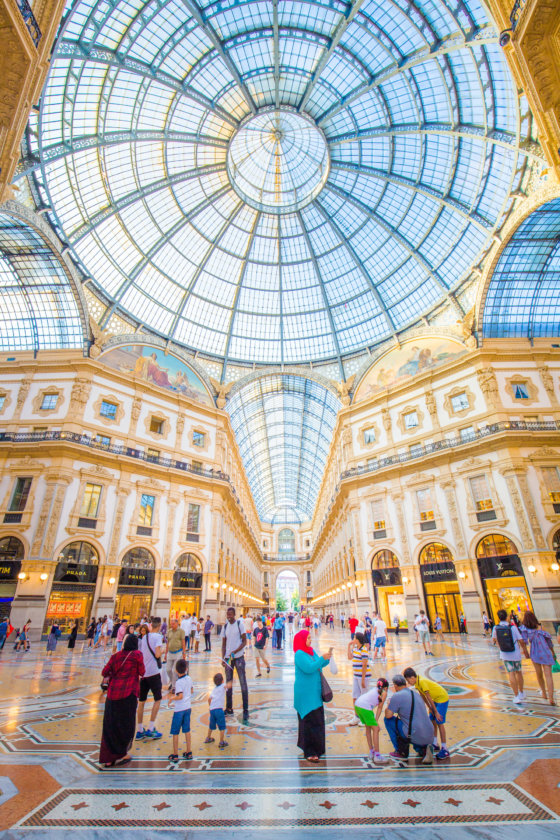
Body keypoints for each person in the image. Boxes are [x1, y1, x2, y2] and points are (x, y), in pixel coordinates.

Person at [99, 633, 145, 767]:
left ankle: (108, 758)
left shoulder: (116, 656)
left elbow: (104, 672)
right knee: (125, 725)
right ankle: (122, 753)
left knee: (110, 725)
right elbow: (142, 671)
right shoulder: (137, 655)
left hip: (113, 695)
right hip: (128, 694)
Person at [293, 629, 332, 762]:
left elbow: (318, 665)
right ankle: (309, 751)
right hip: (305, 694)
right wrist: (322, 659)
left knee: (318, 721)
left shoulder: (311, 651)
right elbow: (309, 668)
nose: (310, 640)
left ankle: (318, 748)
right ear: (302, 640)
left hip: (315, 693)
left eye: (310, 638)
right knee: (308, 722)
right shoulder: (299, 654)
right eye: (308, 638)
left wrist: (327, 659)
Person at [384, 674, 435, 763]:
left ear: (395, 685)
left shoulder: (397, 695)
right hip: (430, 733)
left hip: (413, 733)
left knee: (388, 721)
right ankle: (423, 750)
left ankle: (401, 752)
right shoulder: (415, 693)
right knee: (411, 724)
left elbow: (388, 715)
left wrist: (388, 704)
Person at [403, 667, 450, 760]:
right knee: (432, 720)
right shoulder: (417, 682)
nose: (408, 683)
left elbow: (428, 697)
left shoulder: (422, 682)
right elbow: (423, 695)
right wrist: (430, 708)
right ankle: (435, 743)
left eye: (408, 680)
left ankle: (445, 748)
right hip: (436, 699)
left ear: (412, 677)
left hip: (442, 698)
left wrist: (435, 711)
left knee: (439, 721)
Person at [492, 608, 529, 703]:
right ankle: (521, 692)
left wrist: (500, 646)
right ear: (507, 616)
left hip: (505, 654)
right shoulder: (512, 627)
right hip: (515, 653)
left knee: (511, 673)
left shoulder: (495, 628)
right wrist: (525, 651)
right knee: (518, 672)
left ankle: (516, 696)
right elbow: (521, 640)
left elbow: (494, 640)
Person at [520, 611, 556, 705]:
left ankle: (544, 693)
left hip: (535, 652)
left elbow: (523, 641)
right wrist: (553, 652)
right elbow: (549, 642)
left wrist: (526, 653)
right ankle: (551, 698)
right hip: (545, 652)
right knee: (549, 676)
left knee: (539, 674)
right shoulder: (540, 627)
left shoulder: (525, 629)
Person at [136, 616, 164, 739]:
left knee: (141, 702)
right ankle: (151, 728)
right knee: (157, 700)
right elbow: (158, 654)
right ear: (160, 626)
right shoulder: (158, 637)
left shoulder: (144, 637)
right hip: (154, 673)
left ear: (151, 625)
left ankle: (139, 730)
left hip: (144, 674)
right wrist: (162, 651)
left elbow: (141, 654)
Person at [221, 607, 249, 722]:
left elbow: (244, 641)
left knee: (243, 683)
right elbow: (223, 643)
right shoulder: (225, 626)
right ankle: (229, 708)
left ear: (235, 614)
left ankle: (246, 709)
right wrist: (224, 657)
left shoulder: (239, 624)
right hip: (228, 659)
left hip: (239, 658)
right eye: (228, 614)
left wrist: (235, 651)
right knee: (228, 684)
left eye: (231, 614)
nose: (229, 616)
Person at [354, 677, 390, 764]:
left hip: (358, 705)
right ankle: (377, 756)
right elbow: (380, 708)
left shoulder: (375, 689)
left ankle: (371, 752)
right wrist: (376, 720)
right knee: (376, 729)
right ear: (386, 687)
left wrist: (375, 720)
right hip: (364, 707)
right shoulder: (384, 693)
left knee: (368, 728)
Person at [168, 659, 193, 762]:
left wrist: (172, 698)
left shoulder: (178, 682)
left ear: (176, 671)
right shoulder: (189, 678)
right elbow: (191, 690)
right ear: (186, 669)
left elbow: (180, 696)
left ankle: (175, 754)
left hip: (179, 710)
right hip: (188, 707)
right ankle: (189, 751)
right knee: (187, 730)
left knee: (175, 732)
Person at [348, 631, 371, 725]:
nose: (353, 640)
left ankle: (364, 718)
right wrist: (348, 647)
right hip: (355, 676)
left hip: (363, 677)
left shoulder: (364, 650)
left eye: (354, 638)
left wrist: (362, 680)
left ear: (357, 640)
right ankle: (357, 717)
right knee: (355, 697)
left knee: (363, 698)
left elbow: (364, 665)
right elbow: (350, 657)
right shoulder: (356, 648)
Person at [204, 673, 228, 749]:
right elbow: (227, 686)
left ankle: (208, 738)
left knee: (211, 725)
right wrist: (232, 682)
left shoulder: (214, 689)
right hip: (219, 710)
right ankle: (221, 742)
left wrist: (210, 706)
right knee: (222, 727)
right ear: (222, 680)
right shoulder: (223, 686)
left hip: (212, 710)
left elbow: (209, 699)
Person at [165, 618, 186, 691]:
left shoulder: (181, 631)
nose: (172, 625)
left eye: (173, 624)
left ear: (177, 624)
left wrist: (184, 653)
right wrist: (165, 654)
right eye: (171, 624)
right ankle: (173, 681)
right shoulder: (169, 631)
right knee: (168, 669)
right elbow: (167, 643)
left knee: (174, 670)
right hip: (170, 653)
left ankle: (174, 686)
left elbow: (183, 642)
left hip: (178, 652)